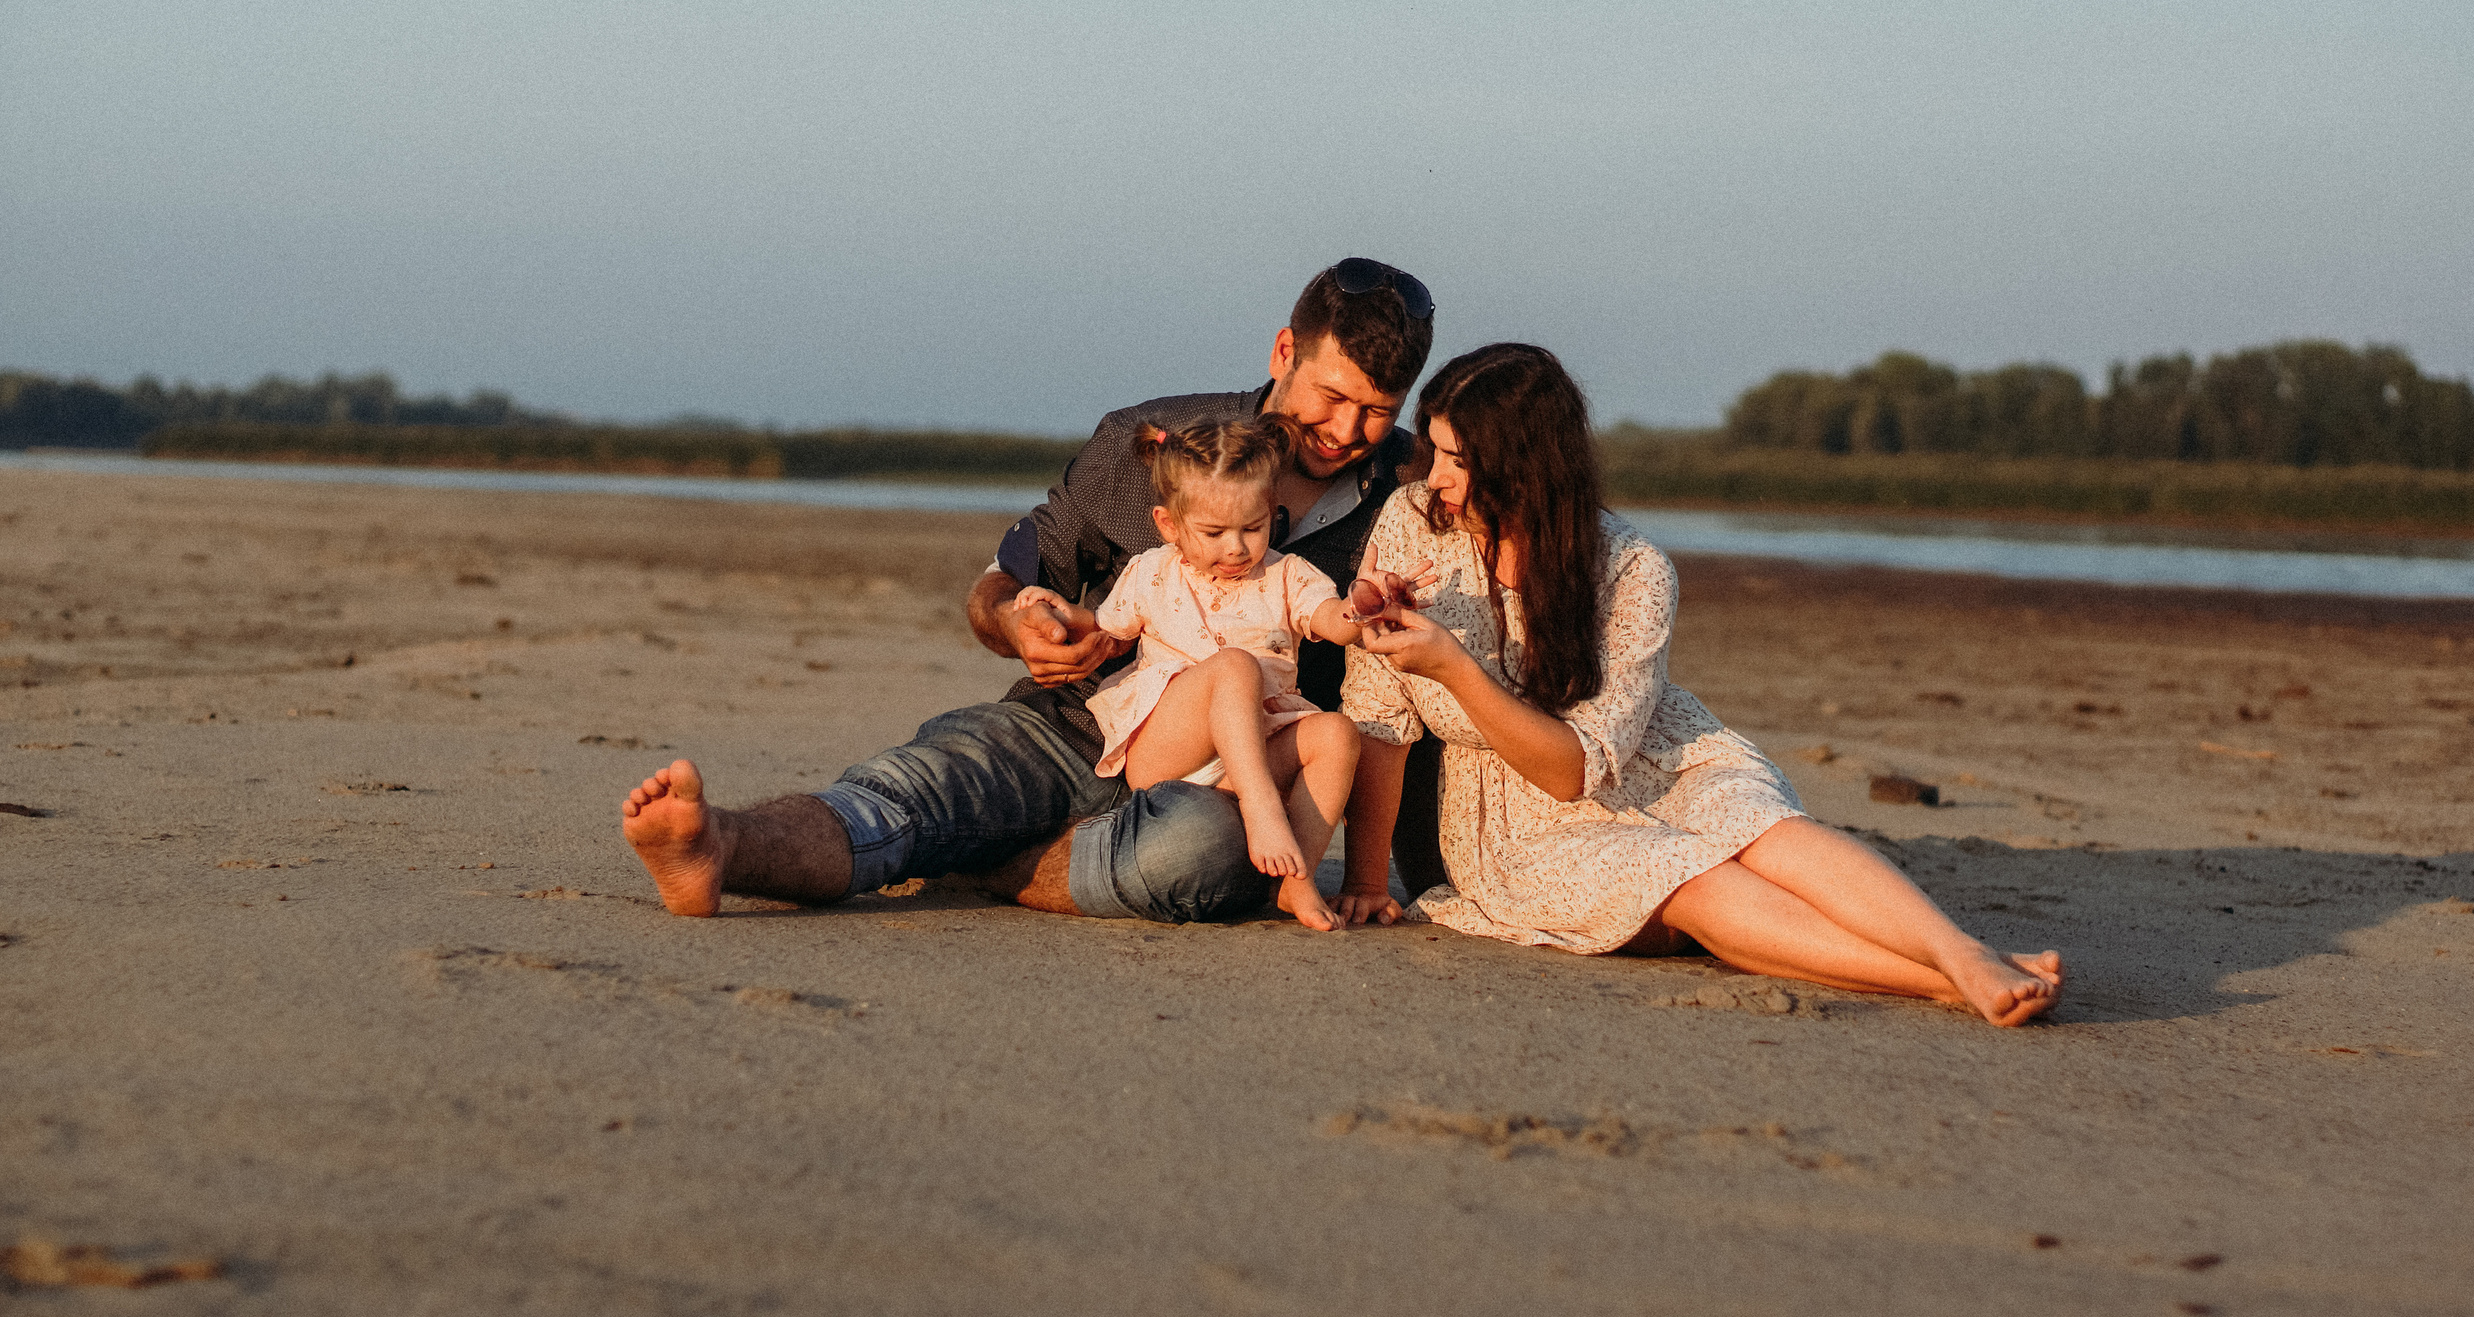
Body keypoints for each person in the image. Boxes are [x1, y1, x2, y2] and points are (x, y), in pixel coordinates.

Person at [621, 258, 1442, 923]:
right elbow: (1007, 580)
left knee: (1201, 856)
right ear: (1282, 353)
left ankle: (1007, 861)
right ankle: (720, 842)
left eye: (1378, 410)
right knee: (920, 789)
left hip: (1232, 786)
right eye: (1332, 397)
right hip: (1073, 723)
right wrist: (1019, 620)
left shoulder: (1415, 494)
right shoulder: (1144, 442)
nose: (1346, 431)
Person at [1335, 343, 2065, 1026]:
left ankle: (1959, 946)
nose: (1436, 478)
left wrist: (1454, 667)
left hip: (1654, 757)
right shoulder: (1413, 524)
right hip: (1521, 823)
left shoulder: (1632, 568)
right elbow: (1382, 721)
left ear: (1525, 463)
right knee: (1698, 877)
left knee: (1769, 831)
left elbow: (1583, 762)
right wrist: (1369, 881)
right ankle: (1944, 980)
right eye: (1434, 451)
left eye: (1458, 459)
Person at [1015, 415, 1416, 930]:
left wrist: (1364, 605)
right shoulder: (1151, 572)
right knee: (1235, 667)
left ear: (1272, 514)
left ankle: (1295, 881)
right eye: (1213, 532)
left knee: (1337, 734)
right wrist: (1060, 612)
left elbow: (1333, 622)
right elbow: (1106, 632)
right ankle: (1264, 811)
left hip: (1251, 752)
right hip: (1169, 750)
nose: (1235, 548)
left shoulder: (1286, 575)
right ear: (1169, 524)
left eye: (1252, 528)